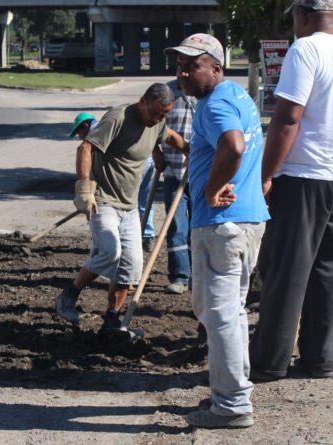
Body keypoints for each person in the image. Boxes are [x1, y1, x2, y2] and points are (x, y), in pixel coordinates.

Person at [249, 0, 333, 381]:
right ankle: (321, 358)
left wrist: (266, 174)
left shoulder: (305, 49)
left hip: (306, 177)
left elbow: (287, 117)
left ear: (301, 16)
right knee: (331, 270)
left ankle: (269, 363)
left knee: (287, 270)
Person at [165, 33, 269, 429]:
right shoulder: (239, 96)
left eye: (193, 64)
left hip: (222, 226)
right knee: (231, 311)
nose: (183, 72)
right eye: (180, 64)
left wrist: (208, 189)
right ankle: (234, 391)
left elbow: (234, 145)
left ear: (217, 68)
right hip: (246, 221)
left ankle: (231, 406)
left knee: (219, 313)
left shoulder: (213, 103)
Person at [55, 83, 188, 333]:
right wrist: (84, 188)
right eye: (156, 113)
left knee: (132, 267)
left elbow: (170, 136)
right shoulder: (118, 118)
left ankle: (112, 319)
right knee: (110, 251)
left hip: (129, 208)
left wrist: (189, 151)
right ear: (142, 101)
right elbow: (86, 147)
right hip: (103, 200)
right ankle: (69, 296)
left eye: (164, 115)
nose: (159, 119)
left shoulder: (157, 122)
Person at [153, 79, 196, 294]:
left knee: (198, 227)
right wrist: (156, 153)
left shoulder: (205, 93)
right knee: (177, 226)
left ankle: (198, 274)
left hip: (201, 175)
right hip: (173, 173)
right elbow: (152, 125)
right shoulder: (167, 94)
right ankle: (180, 276)